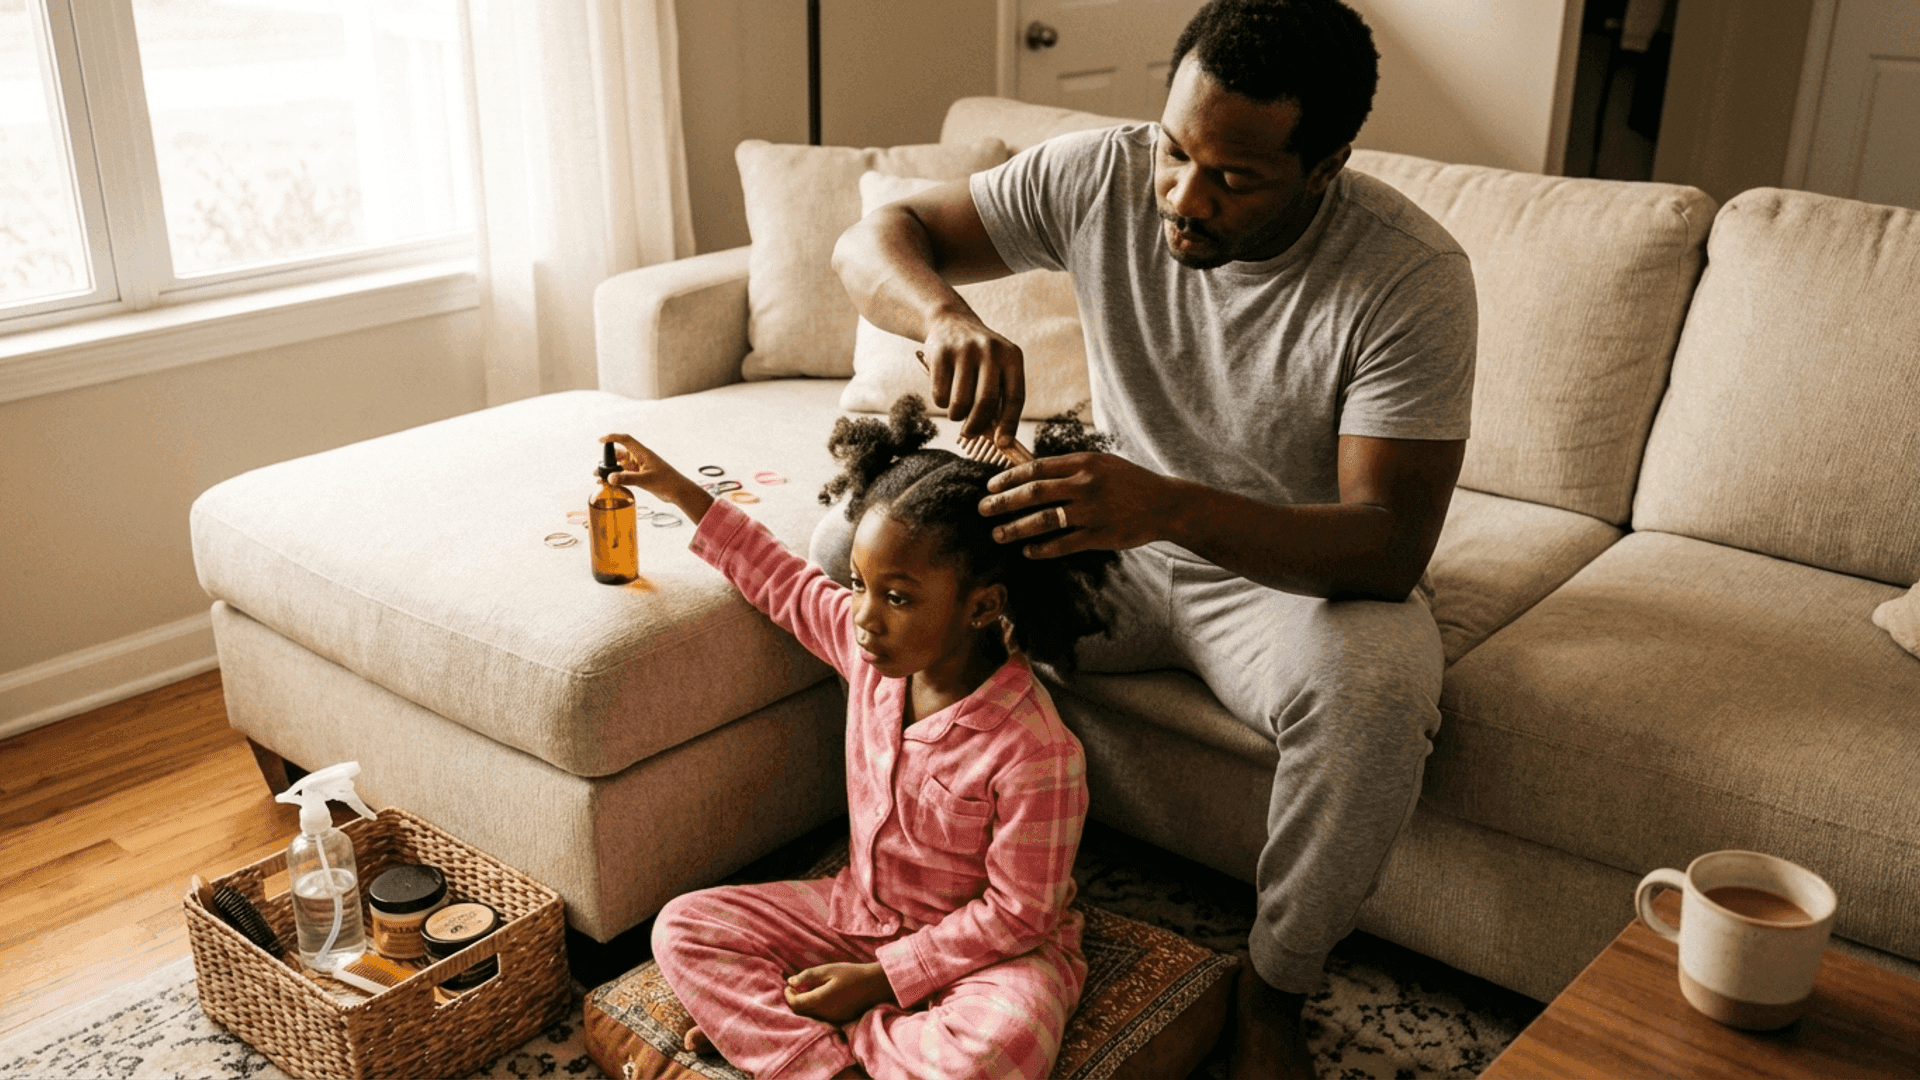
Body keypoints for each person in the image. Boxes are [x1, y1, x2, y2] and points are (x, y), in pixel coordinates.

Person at [824, 1, 1476, 1076]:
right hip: (1102, 538)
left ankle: (1272, 988)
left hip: (1281, 577)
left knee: (1378, 692)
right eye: (1176, 151)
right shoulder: (1099, 175)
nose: (1182, 194)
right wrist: (942, 315)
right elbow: (873, 238)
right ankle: (907, 879)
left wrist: (1165, 507)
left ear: (1326, 167)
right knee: (843, 551)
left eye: (1235, 178)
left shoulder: (1410, 277)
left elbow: (1387, 546)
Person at [609, 397, 1118, 1080]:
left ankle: (805, 1036)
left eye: (898, 597)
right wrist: (679, 492)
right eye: (858, 585)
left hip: (992, 960)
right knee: (680, 927)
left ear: (983, 606)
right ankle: (835, 1061)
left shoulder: (1037, 752)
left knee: (998, 1051)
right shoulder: (870, 660)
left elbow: (1019, 916)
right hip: (858, 914)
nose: (864, 619)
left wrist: (879, 980)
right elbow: (783, 581)